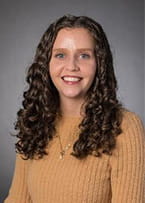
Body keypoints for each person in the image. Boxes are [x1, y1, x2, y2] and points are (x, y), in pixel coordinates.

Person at [5, 14, 145, 203]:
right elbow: (17, 200)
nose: (71, 66)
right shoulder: (34, 123)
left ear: (99, 64)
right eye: (60, 55)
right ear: (47, 63)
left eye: (84, 55)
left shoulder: (125, 127)